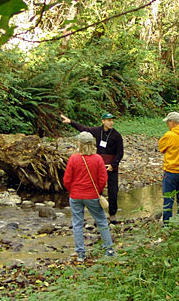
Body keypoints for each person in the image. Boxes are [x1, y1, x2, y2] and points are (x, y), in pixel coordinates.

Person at [60, 112, 124, 223]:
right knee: (97, 189)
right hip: (98, 166)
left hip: (111, 167)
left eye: (112, 120)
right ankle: (99, 213)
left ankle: (112, 214)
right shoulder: (97, 131)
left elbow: (120, 152)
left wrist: (113, 165)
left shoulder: (116, 136)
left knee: (113, 192)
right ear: (103, 121)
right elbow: (84, 129)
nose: (111, 122)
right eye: (108, 120)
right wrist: (70, 122)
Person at [63, 131, 115, 262]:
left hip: (75, 195)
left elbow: (67, 180)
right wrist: (98, 191)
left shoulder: (73, 158)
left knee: (77, 224)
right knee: (102, 221)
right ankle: (109, 250)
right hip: (92, 195)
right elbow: (103, 179)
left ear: (79, 144)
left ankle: (80, 254)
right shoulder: (98, 159)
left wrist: (72, 191)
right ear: (92, 144)